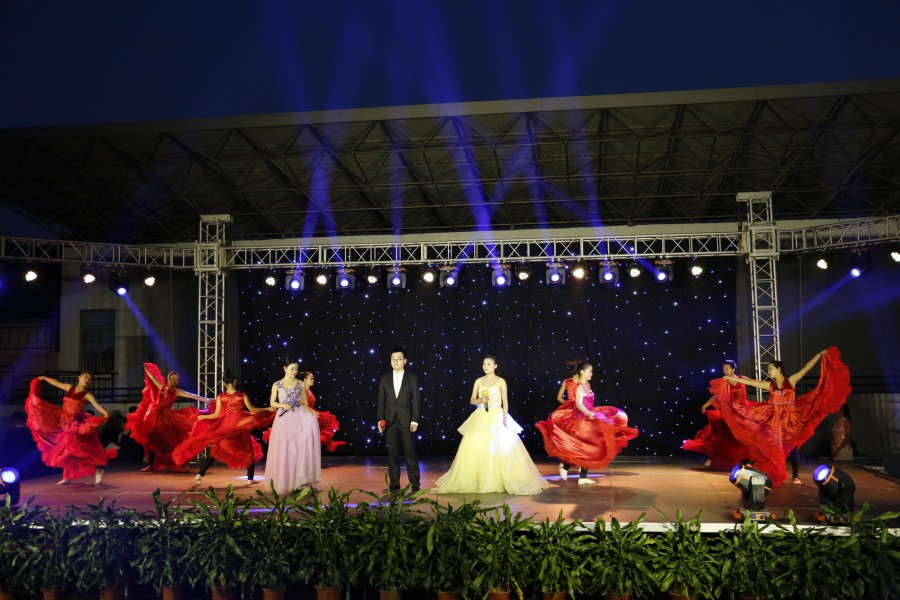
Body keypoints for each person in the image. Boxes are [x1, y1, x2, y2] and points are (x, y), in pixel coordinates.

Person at [713, 347, 851, 487]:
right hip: (774, 420)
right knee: (769, 446)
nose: (768, 372)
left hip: (791, 420)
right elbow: (751, 382)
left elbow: (806, 368)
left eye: (770, 369)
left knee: (794, 447)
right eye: (768, 369)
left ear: (778, 369)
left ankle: (795, 476)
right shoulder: (770, 385)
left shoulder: (791, 381)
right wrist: (732, 378)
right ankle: (763, 471)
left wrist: (819, 354)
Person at [433, 355, 549, 495]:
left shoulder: (501, 381)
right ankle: (478, 480)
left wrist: (504, 419)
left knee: (498, 447)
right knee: (477, 447)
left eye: (488, 364)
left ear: (495, 366)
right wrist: (480, 400)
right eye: (484, 364)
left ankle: (501, 479)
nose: (485, 367)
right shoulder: (478, 381)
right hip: (481, 416)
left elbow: (505, 402)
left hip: (497, 415)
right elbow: (472, 400)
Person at [537, 361, 638, 484]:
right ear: (582, 372)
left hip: (589, 418)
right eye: (590, 371)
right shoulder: (580, 387)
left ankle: (580, 476)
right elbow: (579, 404)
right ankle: (568, 468)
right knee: (588, 447)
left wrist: (592, 414)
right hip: (582, 420)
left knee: (590, 448)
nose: (592, 373)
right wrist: (588, 413)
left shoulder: (586, 386)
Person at [171, 369, 276, 485]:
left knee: (216, 450)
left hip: (226, 425)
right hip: (240, 424)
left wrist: (203, 417)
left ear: (224, 383)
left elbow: (216, 415)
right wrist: (268, 408)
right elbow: (253, 409)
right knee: (249, 450)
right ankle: (250, 479)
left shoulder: (221, 396)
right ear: (235, 381)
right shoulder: (242, 395)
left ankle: (199, 475)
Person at [24, 373, 117, 485]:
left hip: (75, 424)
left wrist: (105, 413)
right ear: (79, 378)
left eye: (89, 379)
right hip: (64, 422)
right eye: (85, 377)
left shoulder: (87, 395)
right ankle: (67, 477)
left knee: (81, 450)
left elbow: (96, 405)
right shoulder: (69, 388)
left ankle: (97, 470)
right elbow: (56, 383)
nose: (87, 380)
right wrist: (44, 378)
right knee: (66, 451)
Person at [126, 363, 210, 472]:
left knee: (174, 440)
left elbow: (193, 396)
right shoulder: (162, 388)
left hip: (167, 417)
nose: (175, 381)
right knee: (151, 439)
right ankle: (151, 464)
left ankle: (183, 463)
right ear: (168, 379)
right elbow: (152, 378)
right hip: (154, 415)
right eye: (173, 378)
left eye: (177, 379)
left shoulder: (177, 391)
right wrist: (146, 370)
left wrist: (206, 400)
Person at [265, 357, 322, 494]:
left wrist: (311, 412)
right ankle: (285, 483)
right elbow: (272, 403)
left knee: (299, 448)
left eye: (296, 369)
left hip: (299, 416)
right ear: (285, 369)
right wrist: (282, 405)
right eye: (292, 369)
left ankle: (299, 481)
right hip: (284, 419)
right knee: (286, 450)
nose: (294, 371)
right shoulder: (277, 384)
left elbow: (303, 402)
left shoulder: (300, 384)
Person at [682, 360, 751, 470]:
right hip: (729, 412)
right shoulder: (723, 382)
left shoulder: (742, 379)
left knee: (746, 436)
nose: (725, 371)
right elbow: (715, 396)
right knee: (722, 435)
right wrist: (705, 405)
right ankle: (712, 457)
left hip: (743, 412)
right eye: (724, 369)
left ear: (734, 369)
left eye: (727, 369)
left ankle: (747, 460)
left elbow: (756, 382)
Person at [263, 371, 346, 452]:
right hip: (303, 415)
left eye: (313, 379)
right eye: (311, 379)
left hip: (309, 413)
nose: (313, 380)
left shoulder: (308, 390)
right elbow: (300, 404)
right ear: (305, 380)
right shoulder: (302, 391)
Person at [376, 347, 421, 493]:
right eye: (393, 359)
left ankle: (415, 485)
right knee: (392, 455)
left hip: (407, 421)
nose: (395, 361)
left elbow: (416, 401)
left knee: (410, 454)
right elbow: (381, 401)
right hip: (390, 422)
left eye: (398, 359)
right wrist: (380, 421)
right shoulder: (384, 378)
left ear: (405, 361)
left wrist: (414, 420)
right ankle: (394, 485)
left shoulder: (412, 378)